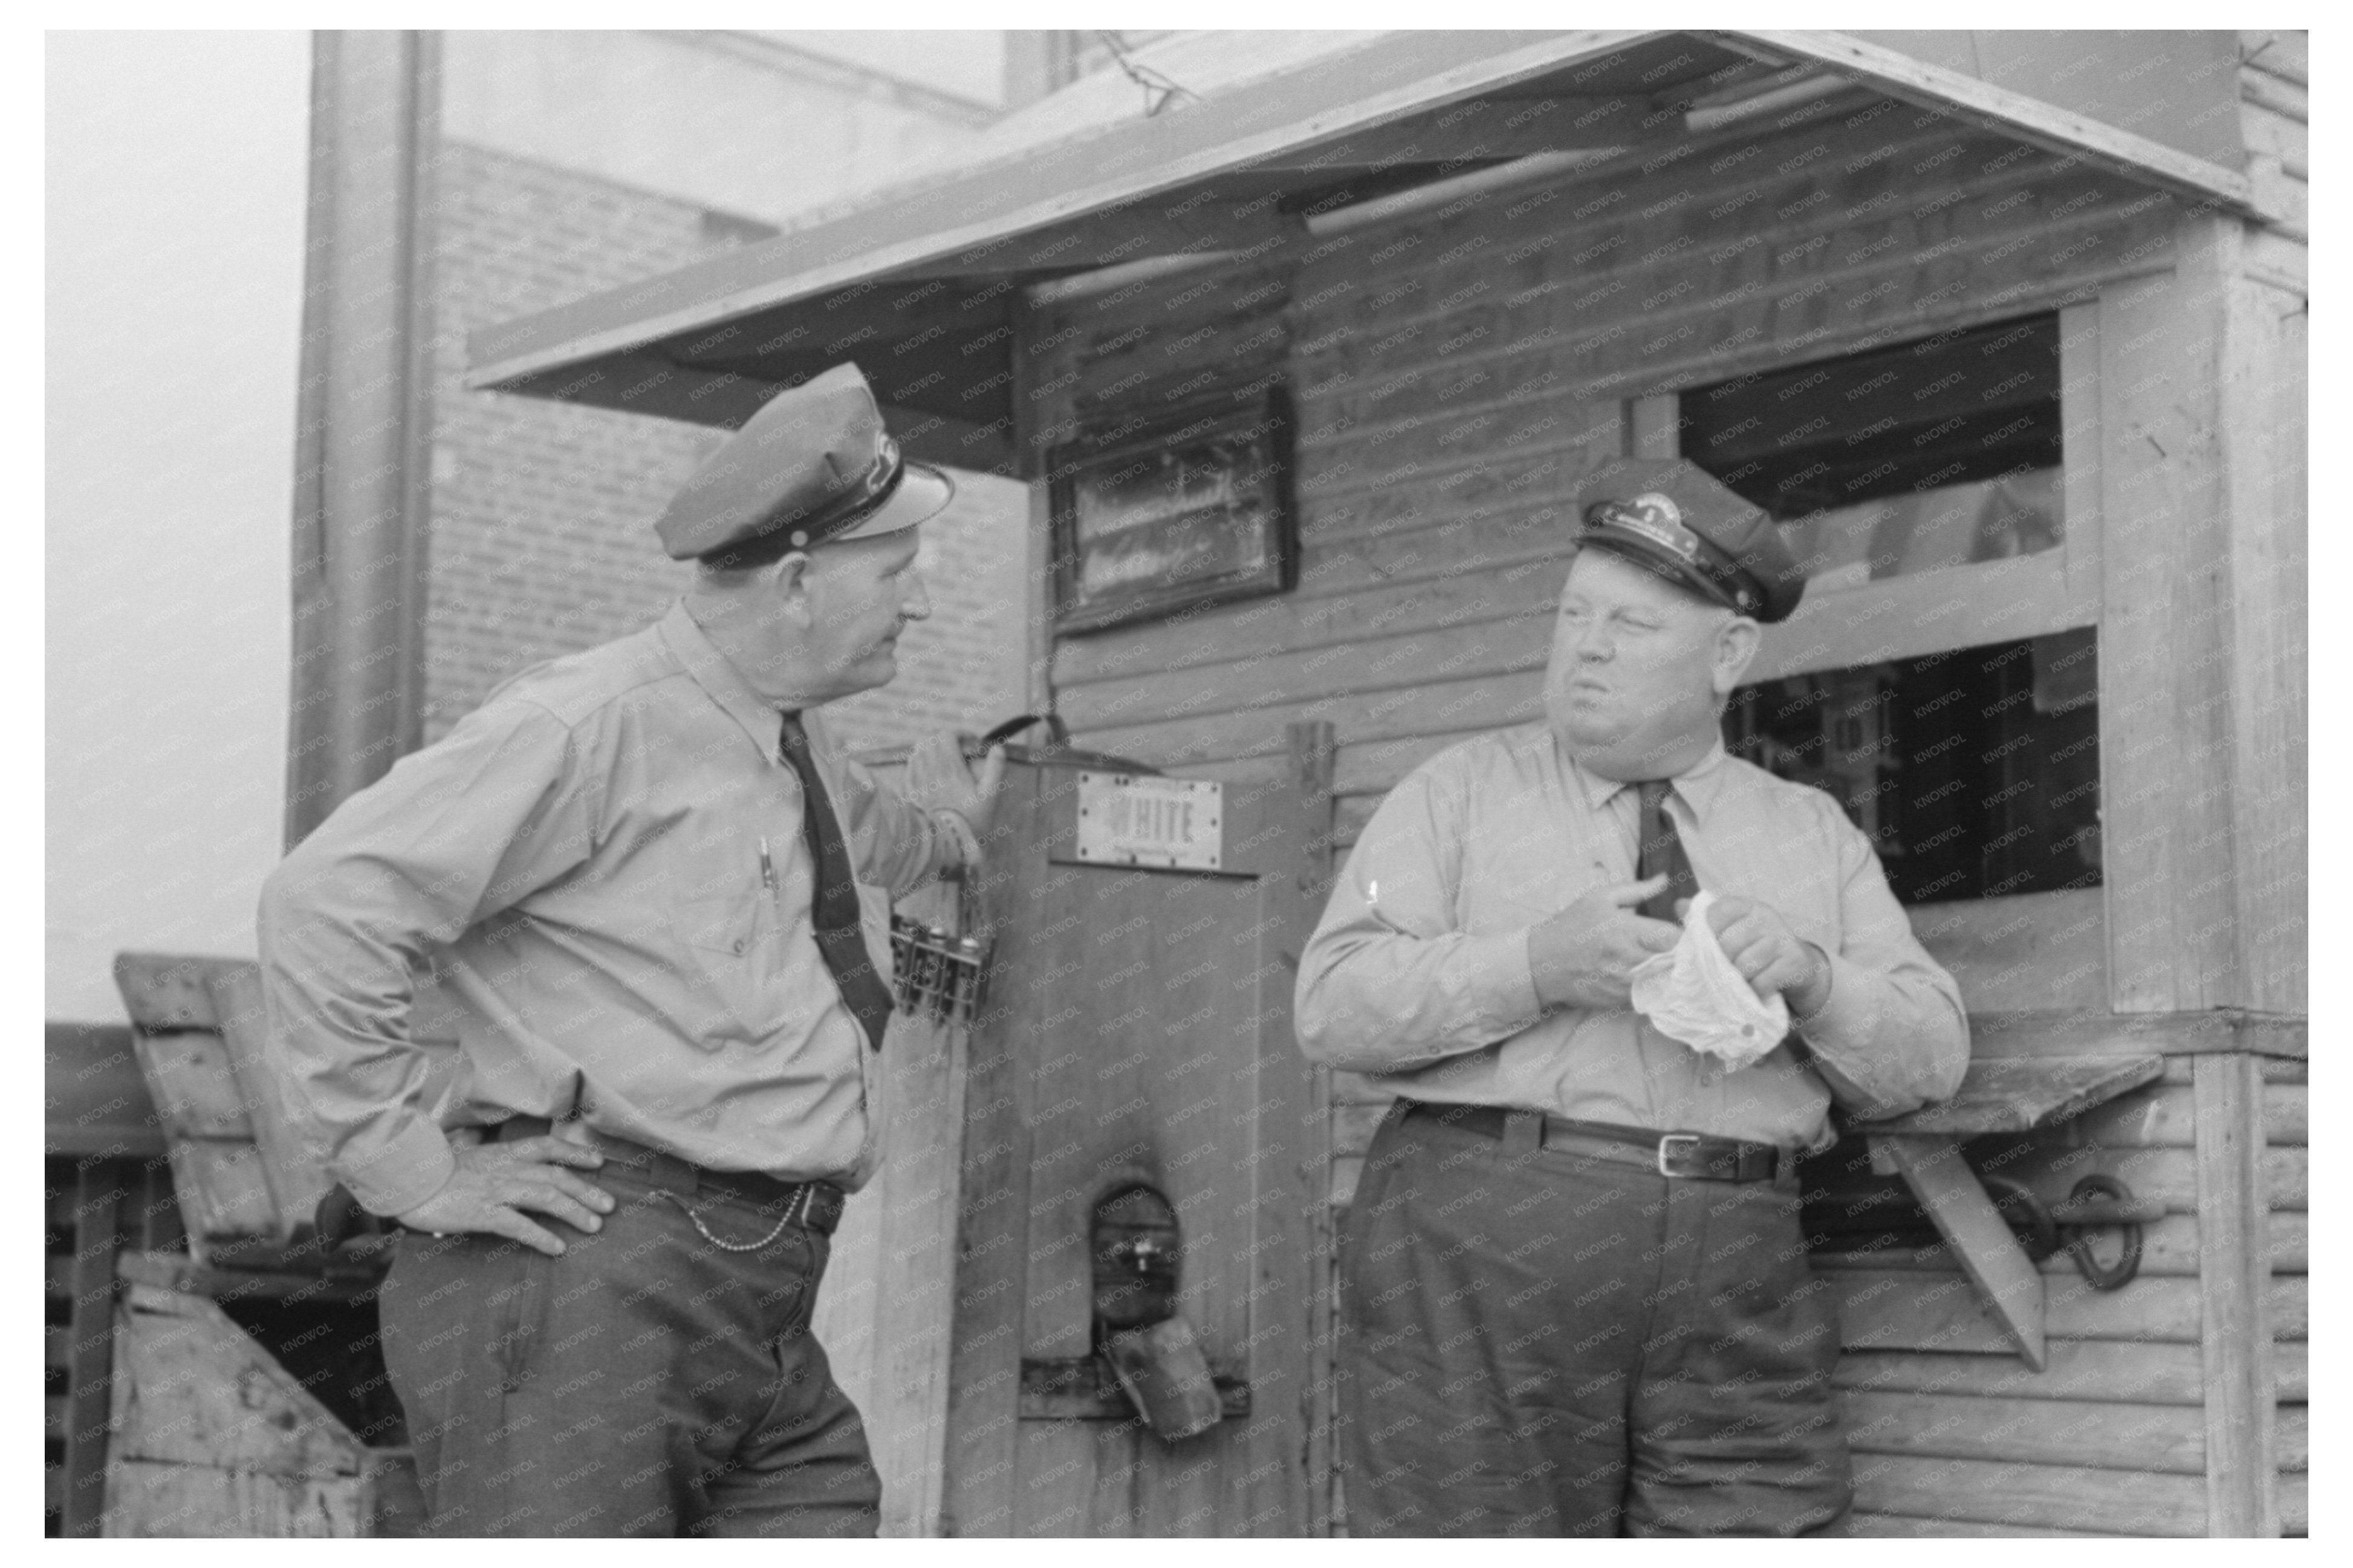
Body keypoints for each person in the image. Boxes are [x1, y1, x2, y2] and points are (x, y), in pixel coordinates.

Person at [259, 363, 1006, 1537]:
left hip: (755, 1286)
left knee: (828, 1509)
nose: (918, 604)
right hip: (594, 1275)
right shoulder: (592, 719)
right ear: (801, 581)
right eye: (898, 572)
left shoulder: (780, 734)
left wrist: (959, 835)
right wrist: (413, 1168)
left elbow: (865, 834)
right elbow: (326, 901)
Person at [1294, 456, 1969, 1537]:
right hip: (1491, 1234)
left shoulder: (1807, 831)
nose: (1587, 649)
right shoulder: (1458, 795)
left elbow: (1931, 1054)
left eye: (1632, 626)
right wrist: (1534, 965)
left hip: (1738, 1251)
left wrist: (1812, 975)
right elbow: (1331, 1004)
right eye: (1574, 615)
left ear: (1729, 654)